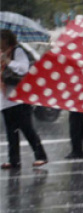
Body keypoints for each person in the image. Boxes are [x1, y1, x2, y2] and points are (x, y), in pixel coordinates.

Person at [1, 30, 48, 170]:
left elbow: (23, 69)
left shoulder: (17, 51)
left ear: (6, 40)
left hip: (19, 98)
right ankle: (14, 161)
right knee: (11, 132)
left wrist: (8, 61)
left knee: (27, 129)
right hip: (5, 100)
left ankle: (41, 156)